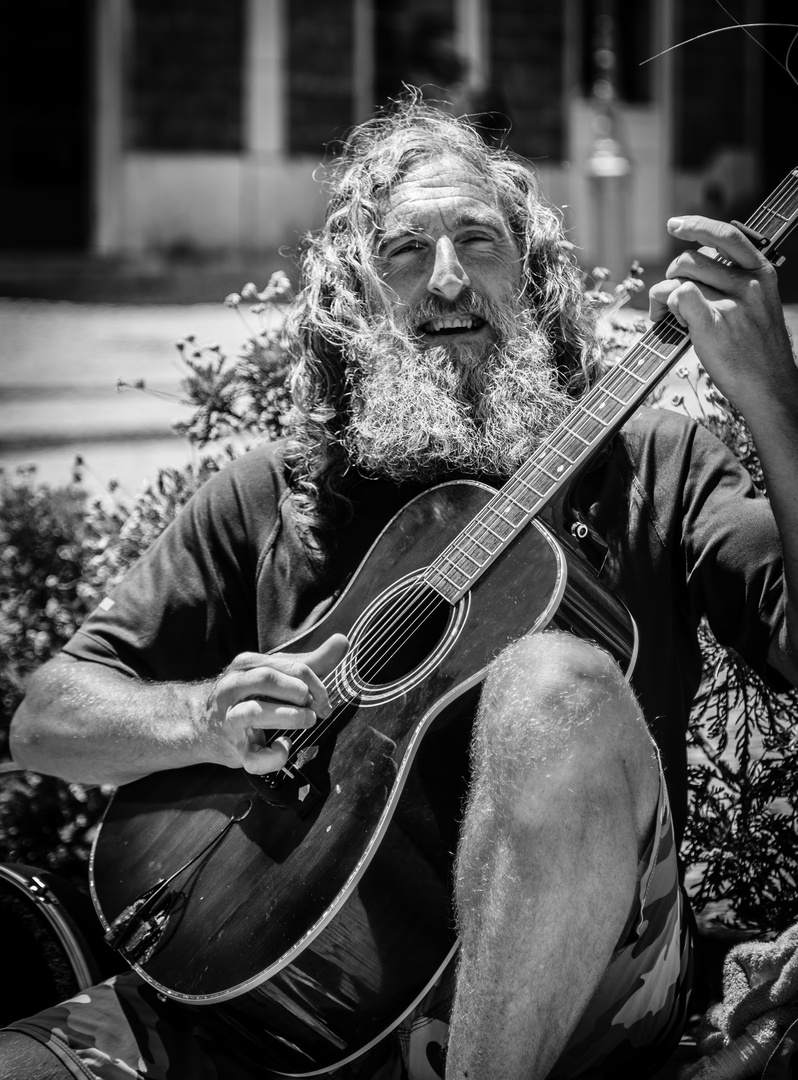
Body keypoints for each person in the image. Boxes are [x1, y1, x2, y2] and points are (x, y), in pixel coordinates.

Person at [3, 101, 798, 1080]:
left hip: (584, 1009)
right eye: (405, 252)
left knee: (552, 684)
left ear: (536, 275)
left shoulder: (653, 467)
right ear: (353, 292)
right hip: (279, 1007)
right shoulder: (276, 497)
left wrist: (771, 395)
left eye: (479, 241)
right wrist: (203, 717)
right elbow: (44, 717)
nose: (449, 279)